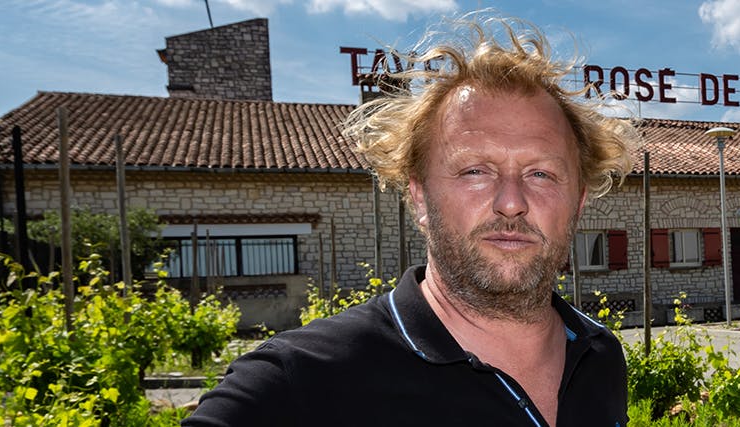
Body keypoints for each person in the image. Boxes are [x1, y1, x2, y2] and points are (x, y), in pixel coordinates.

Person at [186, 11, 636, 426]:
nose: (512, 201)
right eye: (475, 171)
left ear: (578, 201)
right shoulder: (300, 381)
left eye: (541, 172)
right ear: (419, 197)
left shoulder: (600, 355)